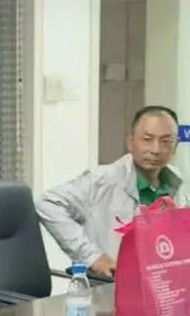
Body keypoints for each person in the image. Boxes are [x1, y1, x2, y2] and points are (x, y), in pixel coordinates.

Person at [35, 106, 187, 278]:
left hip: (164, 284)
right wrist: (93, 257)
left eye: (165, 141)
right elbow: (47, 203)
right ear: (131, 142)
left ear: (175, 147)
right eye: (147, 139)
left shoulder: (178, 186)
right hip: (111, 285)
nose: (155, 150)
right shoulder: (102, 180)